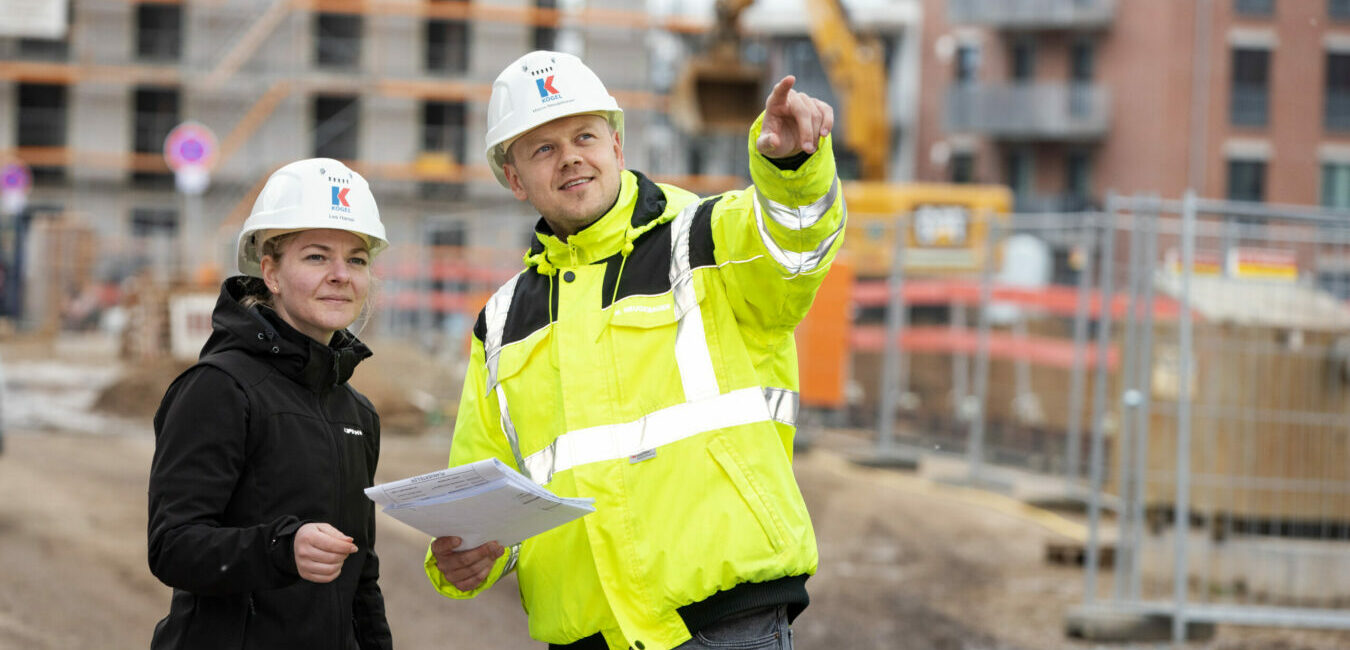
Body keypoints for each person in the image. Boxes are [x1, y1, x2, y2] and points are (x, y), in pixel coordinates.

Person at [424, 50, 844, 650]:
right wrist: (467, 558)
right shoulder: (500, 322)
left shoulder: (707, 239)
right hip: (588, 637)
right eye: (543, 148)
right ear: (515, 179)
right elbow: (487, 490)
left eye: (584, 135)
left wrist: (794, 167)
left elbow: (797, 245)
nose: (570, 156)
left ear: (617, 147)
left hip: (724, 627)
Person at [147, 158, 394, 649]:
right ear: (271, 273)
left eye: (358, 259)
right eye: (317, 257)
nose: (341, 275)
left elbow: (361, 577)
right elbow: (172, 546)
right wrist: (282, 549)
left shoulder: (358, 413)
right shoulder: (218, 387)